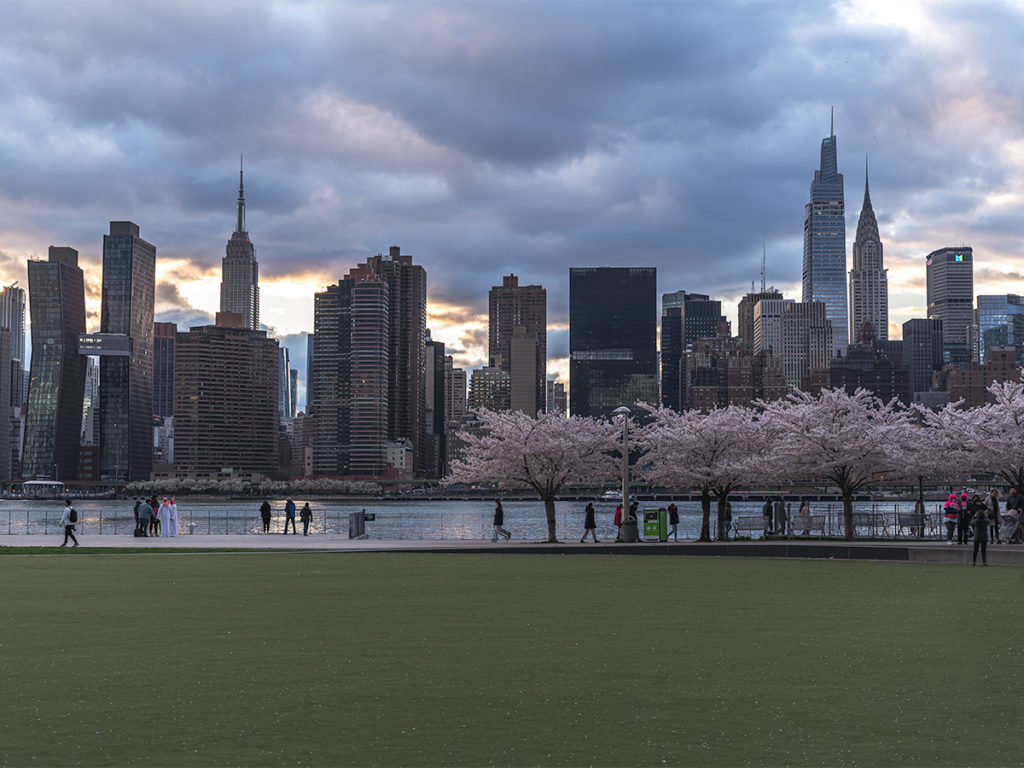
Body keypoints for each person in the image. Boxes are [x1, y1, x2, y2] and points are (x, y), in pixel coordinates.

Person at [971, 498, 990, 566]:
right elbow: (988, 520)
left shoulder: (976, 521)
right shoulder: (986, 521)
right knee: (983, 550)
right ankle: (984, 562)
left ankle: (973, 561)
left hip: (977, 536)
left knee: (975, 550)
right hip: (984, 536)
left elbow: (972, 522)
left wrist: (975, 516)